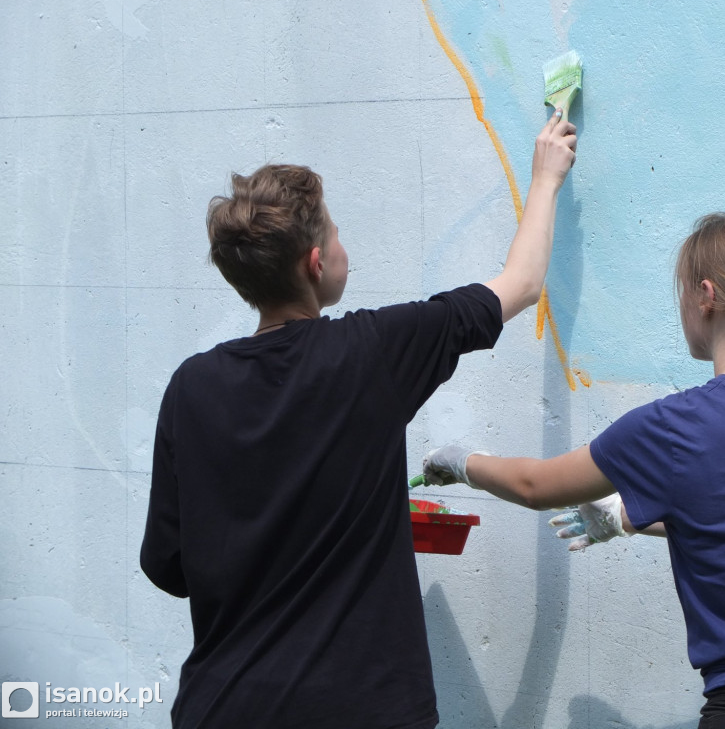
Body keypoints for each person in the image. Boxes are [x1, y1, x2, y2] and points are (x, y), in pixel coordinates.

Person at [139, 110, 577, 728]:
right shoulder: (372, 352)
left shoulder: (191, 386)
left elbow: (168, 567)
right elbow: (523, 282)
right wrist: (546, 177)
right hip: (360, 709)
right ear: (315, 263)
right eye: (338, 234)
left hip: (223, 707)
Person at [420, 212, 725, 728]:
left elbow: (535, 486)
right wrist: (628, 518)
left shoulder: (677, 427)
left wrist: (461, 463)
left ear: (707, 295)